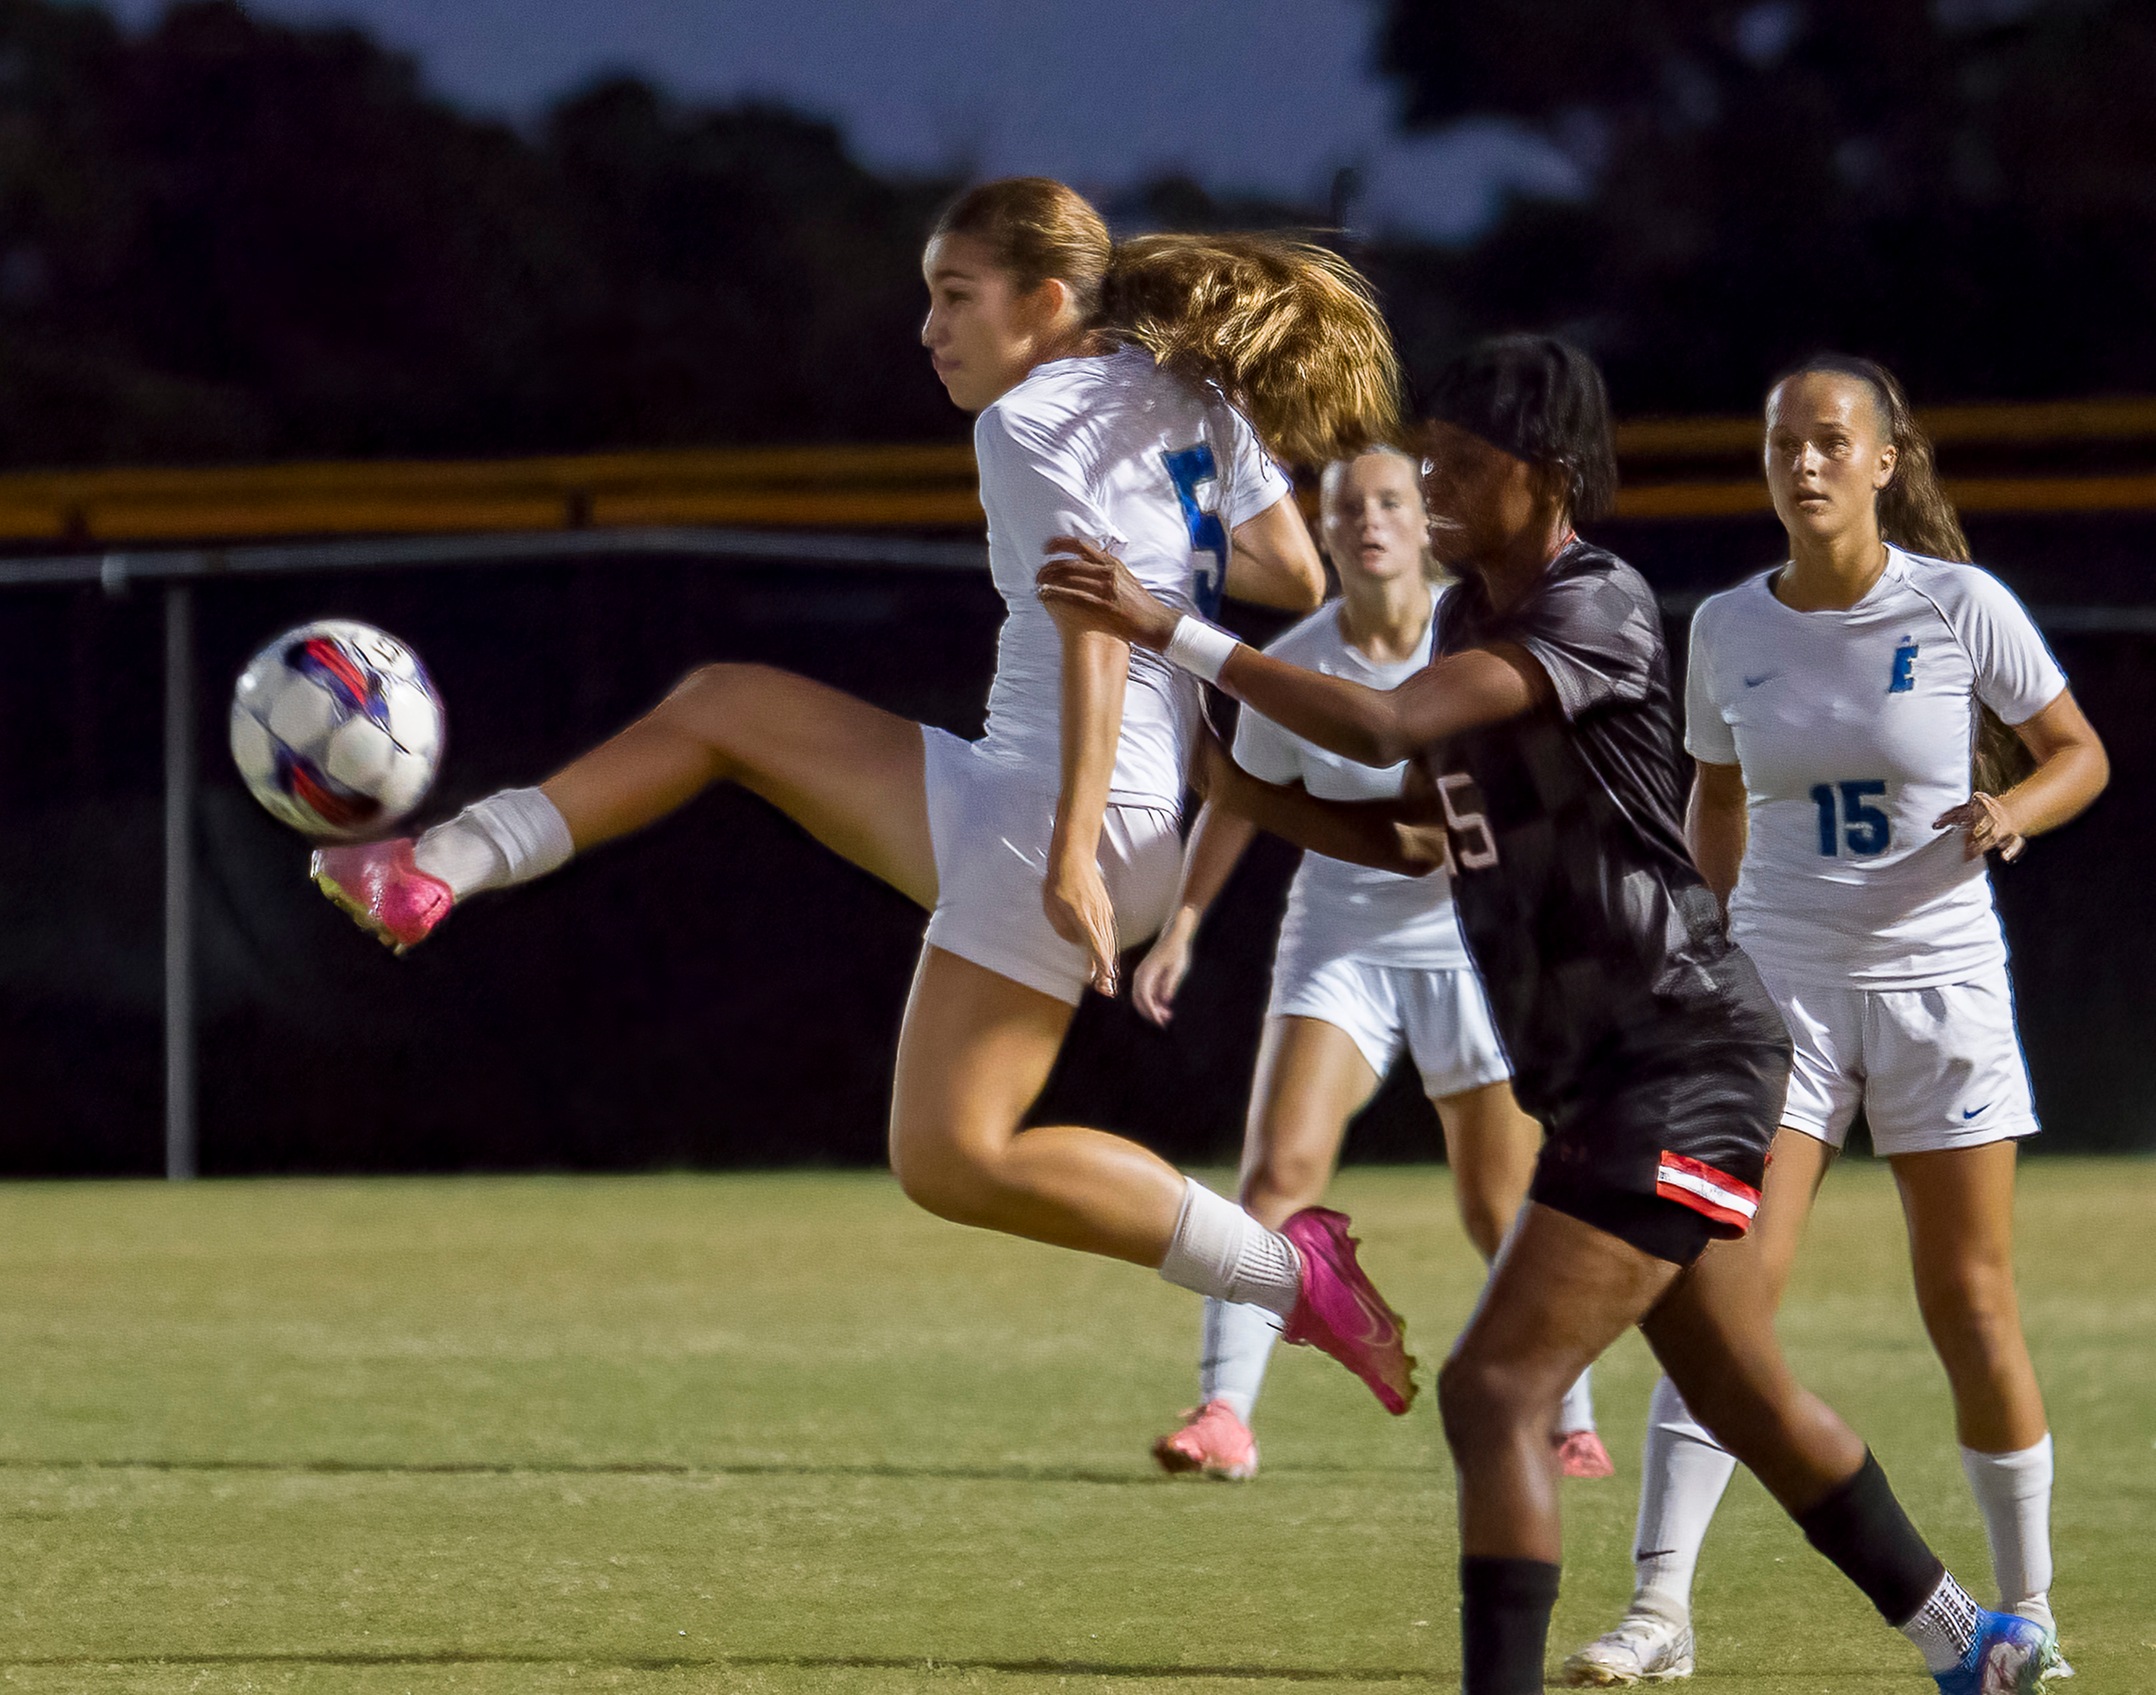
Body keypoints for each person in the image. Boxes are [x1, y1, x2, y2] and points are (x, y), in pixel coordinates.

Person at [1038, 333, 2059, 1695]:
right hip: (1604, 1077)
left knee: (1493, 1388)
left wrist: (1170, 629)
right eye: (1432, 455)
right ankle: (1972, 1644)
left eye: (1467, 465)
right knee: (1744, 1394)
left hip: (1679, 1062)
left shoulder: (1598, 604)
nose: (1434, 483)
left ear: (1553, 478)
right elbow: (1419, 831)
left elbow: (1391, 726)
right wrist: (1230, 784)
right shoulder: (1472, 623)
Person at [310, 177, 1420, 1414]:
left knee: (952, 1156)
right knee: (725, 705)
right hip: (1060, 798)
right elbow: (1286, 566)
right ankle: (438, 865)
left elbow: (1096, 634)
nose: (928, 328)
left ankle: (1286, 1270)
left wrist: (1062, 852)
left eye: (956, 296)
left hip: (1063, 814)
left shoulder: (1027, 422)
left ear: (1046, 301)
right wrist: (1178, 566)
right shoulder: (1187, 393)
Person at [1561, 354, 2108, 1689]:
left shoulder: (1962, 605)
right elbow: (1720, 800)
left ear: (1881, 461)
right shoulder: (1731, 626)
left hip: (1942, 990)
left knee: (1970, 1302)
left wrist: (2008, 813)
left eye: (1828, 443)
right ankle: (1661, 1611)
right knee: (1718, 1294)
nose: (1802, 465)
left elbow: (2076, 754)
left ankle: (2025, 1614)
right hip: (1785, 995)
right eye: (1781, 444)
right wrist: (1698, 946)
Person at [1136, 445, 1607, 1482]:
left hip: (1476, 941)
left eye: (1392, 499)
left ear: (1427, 517)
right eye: (1346, 506)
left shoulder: (1484, 643)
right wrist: (1180, 926)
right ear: (1324, 527)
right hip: (1340, 937)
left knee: (1498, 1205)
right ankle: (1224, 1409)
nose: (1369, 521)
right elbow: (1237, 792)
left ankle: (1567, 1416)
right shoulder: (1293, 665)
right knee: (1276, 1173)